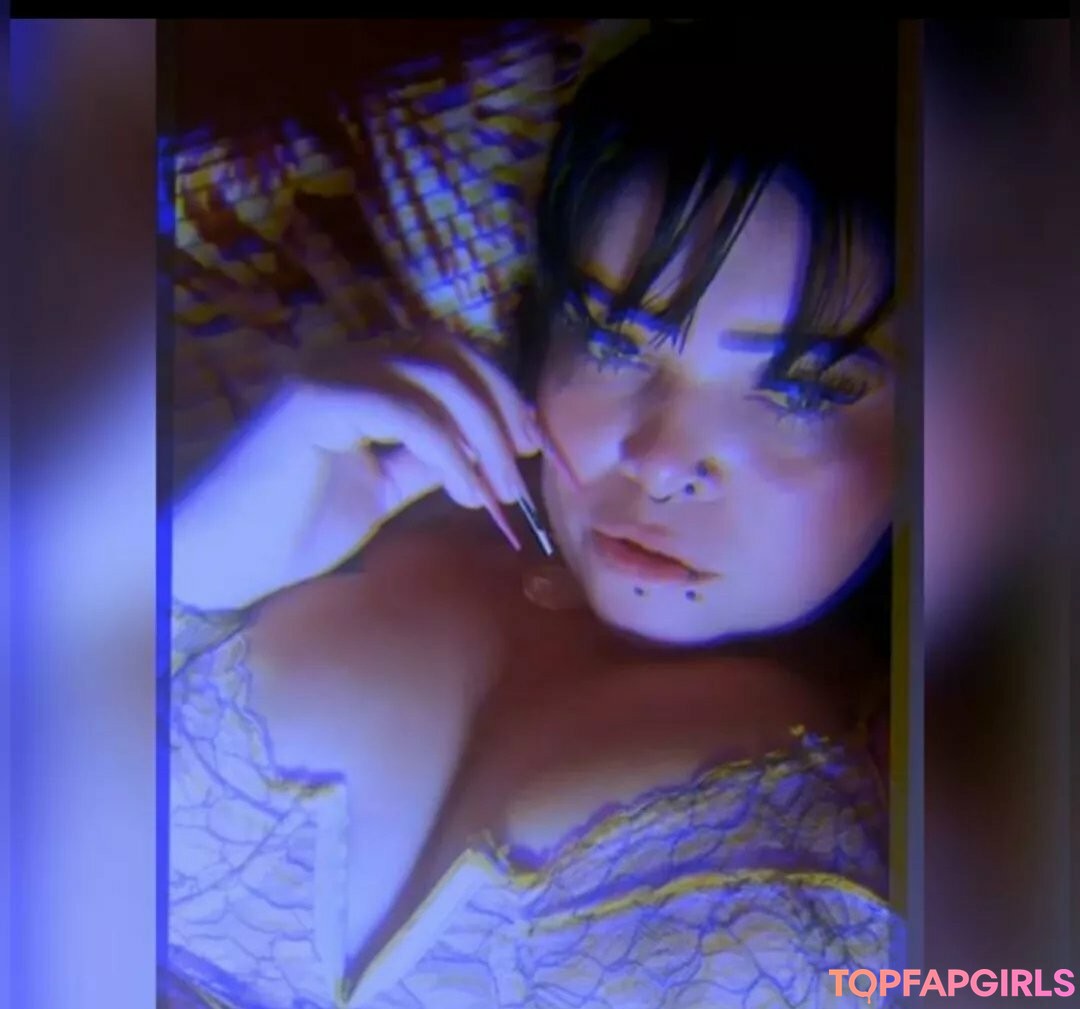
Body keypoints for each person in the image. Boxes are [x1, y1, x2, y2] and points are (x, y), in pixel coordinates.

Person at [169, 21, 899, 1008]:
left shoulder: (952, 828)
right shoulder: (340, 496)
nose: (659, 459)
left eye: (799, 393)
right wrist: (190, 566)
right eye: (615, 340)